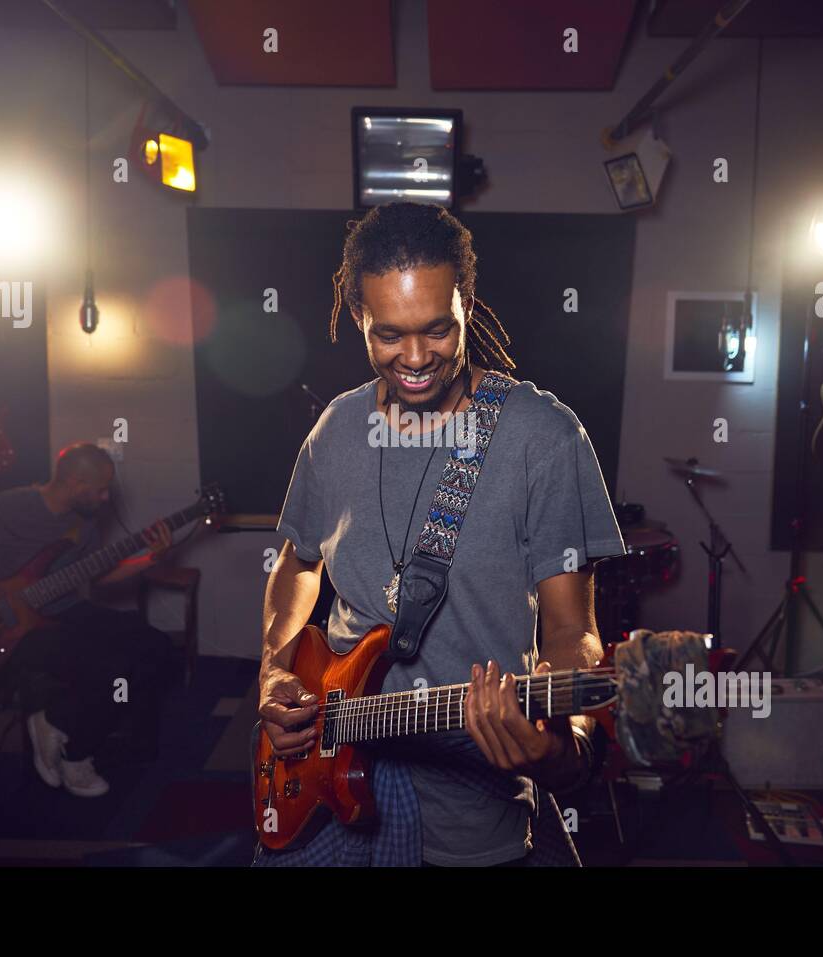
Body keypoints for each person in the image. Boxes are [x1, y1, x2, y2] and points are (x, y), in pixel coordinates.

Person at [255, 202, 627, 866]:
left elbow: (572, 634)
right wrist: (274, 668)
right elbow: (296, 564)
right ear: (357, 316)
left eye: (438, 329)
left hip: (467, 815)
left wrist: (559, 744)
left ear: (468, 301)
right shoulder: (335, 430)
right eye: (389, 335)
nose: (417, 358)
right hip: (325, 785)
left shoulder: (543, 438)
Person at [0, 443, 175, 797]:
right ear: (73, 481)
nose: (104, 498)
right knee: (109, 667)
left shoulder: (82, 522)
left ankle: (59, 722)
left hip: (60, 609)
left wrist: (151, 560)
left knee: (155, 647)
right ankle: (76, 755)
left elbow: (94, 576)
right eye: (99, 489)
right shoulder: (6, 508)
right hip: (3, 625)